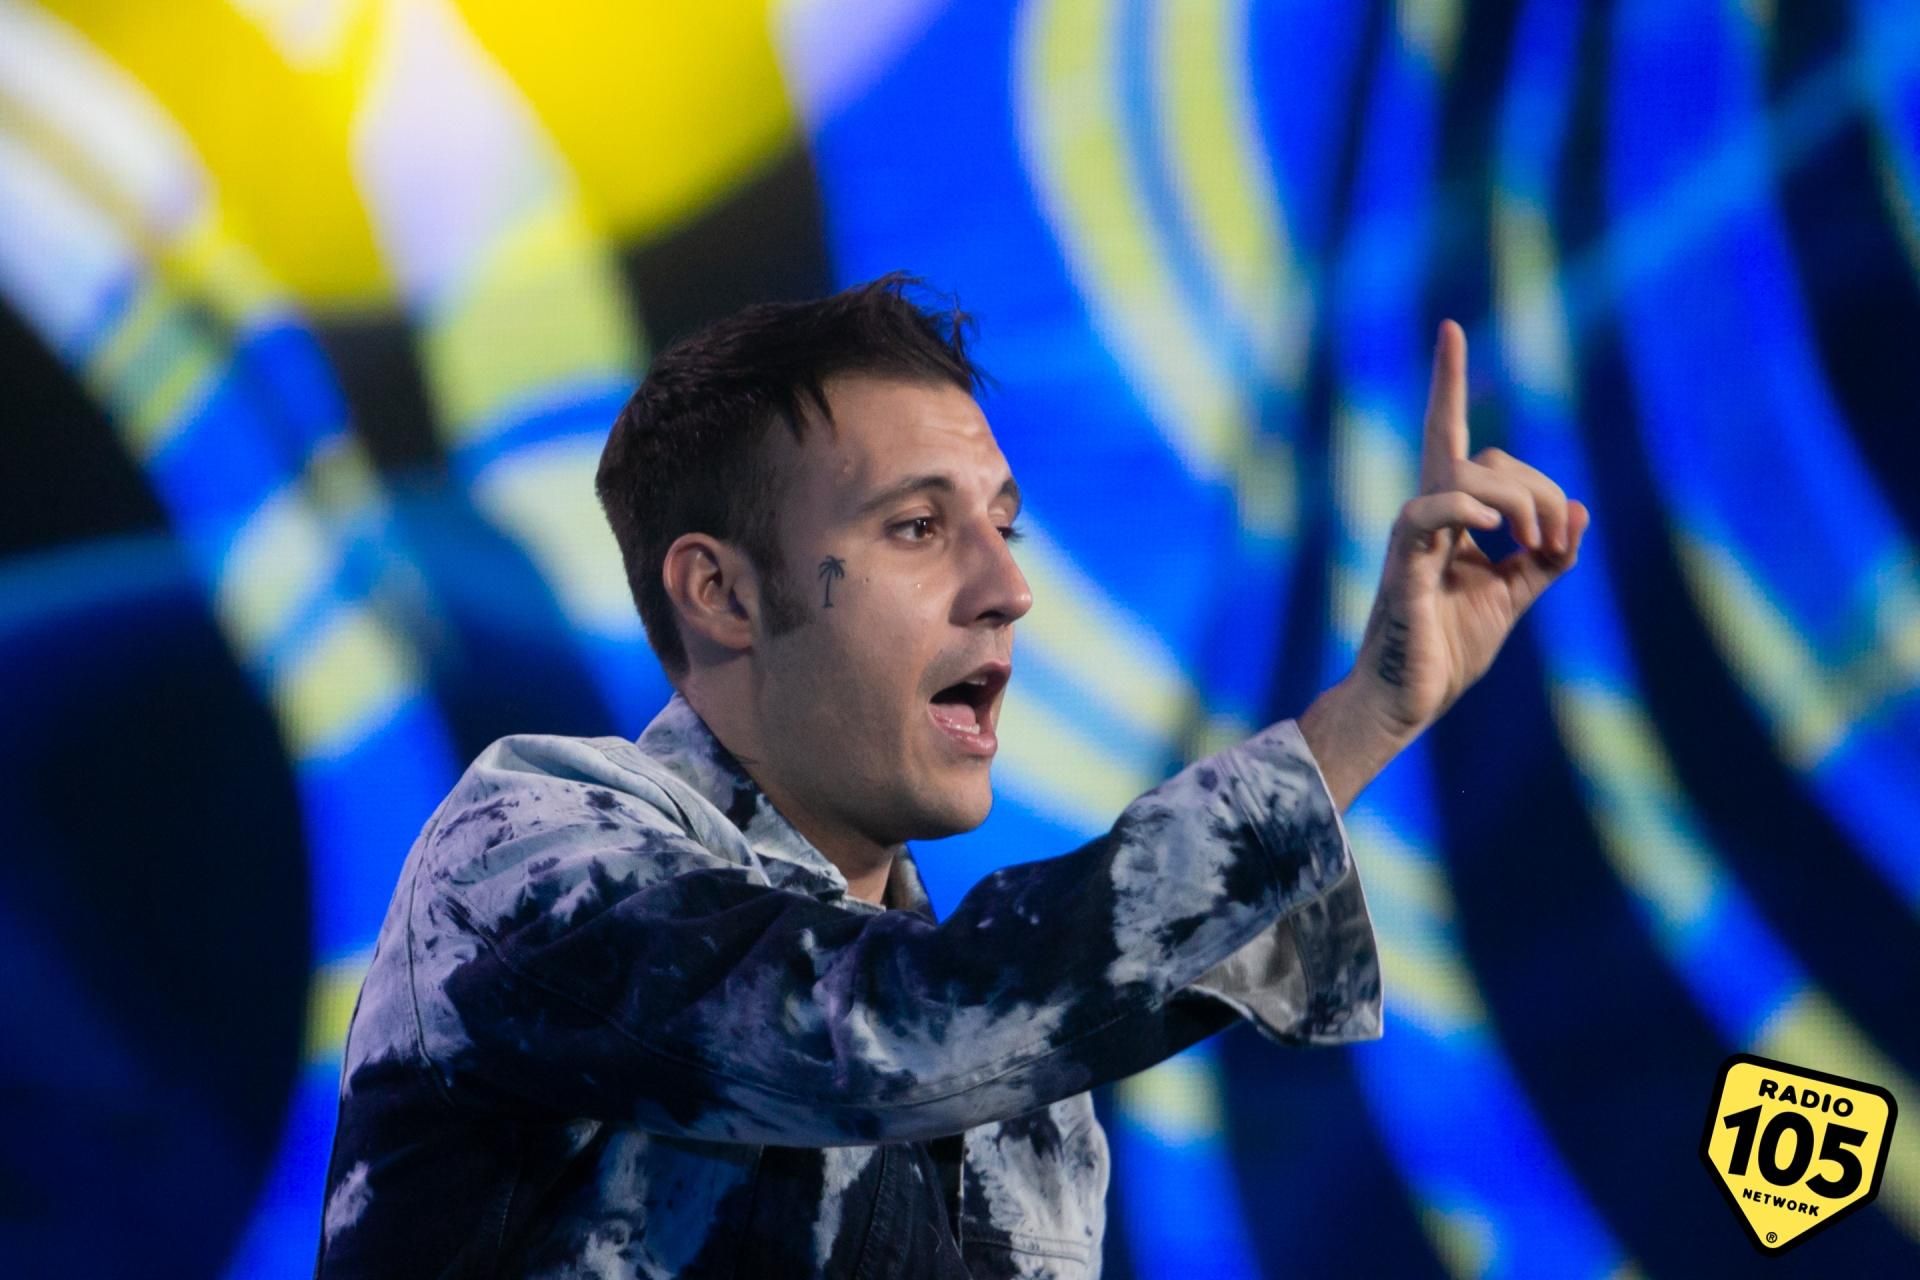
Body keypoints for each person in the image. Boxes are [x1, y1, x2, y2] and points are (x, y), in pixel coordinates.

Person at [314, 274, 1587, 1277]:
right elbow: (879, 1033)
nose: (1008, 586)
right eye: (919, 527)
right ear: (722, 592)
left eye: (1004, 524)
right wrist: (1358, 722)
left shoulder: (1019, 1088)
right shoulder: (521, 853)